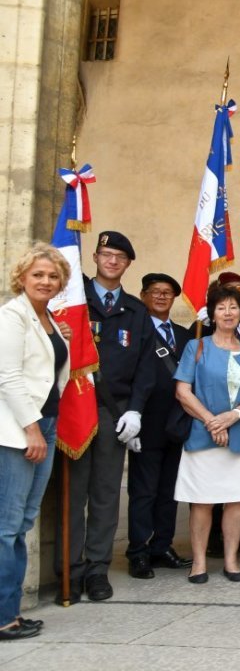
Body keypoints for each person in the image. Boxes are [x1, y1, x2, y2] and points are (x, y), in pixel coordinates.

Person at [59, 230, 155, 603]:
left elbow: (146, 367)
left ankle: (97, 569)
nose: (112, 261)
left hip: (115, 413)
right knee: (73, 492)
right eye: (105, 254)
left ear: (128, 264)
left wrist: (135, 410)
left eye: (119, 256)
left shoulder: (135, 310)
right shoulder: (73, 303)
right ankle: (69, 569)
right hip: (76, 408)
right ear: (95, 258)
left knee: (104, 494)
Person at [173, 285, 240, 583]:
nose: (228, 313)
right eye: (221, 307)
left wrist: (233, 417)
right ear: (212, 313)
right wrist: (212, 421)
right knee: (202, 501)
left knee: (236, 500)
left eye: (233, 307)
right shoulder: (197, 347)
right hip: (203, 436)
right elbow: (182, 391)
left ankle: (231, 560)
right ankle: (199, 562)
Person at [0, 244, 70, 641]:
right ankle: (2, 616)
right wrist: (30, 429)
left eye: (53, 276)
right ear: (22, 278)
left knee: (23, 522)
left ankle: (9, 611)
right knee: (6, 528)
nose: (46, 281)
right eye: (38, 274)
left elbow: (46, 374)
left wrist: (63, 340)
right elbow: (7, 376)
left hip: (46, 424)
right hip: (18, 433)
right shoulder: (12, 316)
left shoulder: (48, 319)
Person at [125, 272, 192, 580]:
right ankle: (138, 551)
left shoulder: (184, 335)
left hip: (177, 425)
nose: (162, 297)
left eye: (167, 292)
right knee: (143, 493)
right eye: (155, 292)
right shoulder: (136, 331)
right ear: (144, 296)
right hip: (146, 424)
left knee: (169, 491)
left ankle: (161, 546)